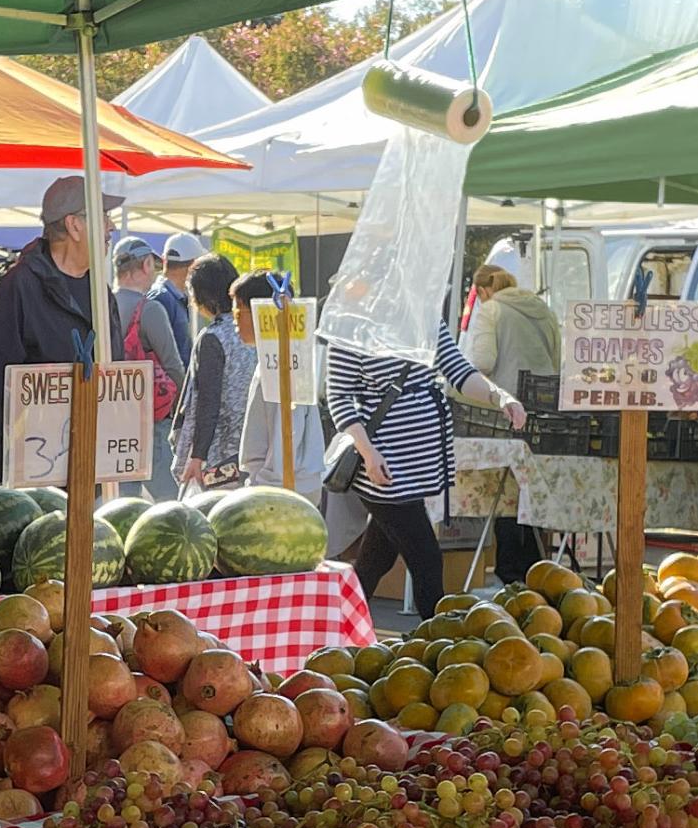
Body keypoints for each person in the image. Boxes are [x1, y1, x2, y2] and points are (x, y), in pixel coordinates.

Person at [328, 319, 525, 617]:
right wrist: (368, 452)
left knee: (376, 558)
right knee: (427, 558)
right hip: (384, 465)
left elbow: (459, 370)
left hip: (419, 465)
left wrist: (501, 398)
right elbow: (339, 397)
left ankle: (337, 625)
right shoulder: (352, 324)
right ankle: (437, 642)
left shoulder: (426, 315)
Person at [0, 176, 116, 464]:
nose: (111, 227)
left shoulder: (100, 290)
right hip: (35, 469)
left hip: (93, 463)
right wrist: (2, 470)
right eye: (104, 216)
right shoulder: (18, 287)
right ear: (75, 225)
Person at [461, 264, 562, 583]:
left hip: (507, 412)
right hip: (546, 415)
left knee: (506, 490)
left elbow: (482, 362)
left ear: (484, 291)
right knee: (535, 486)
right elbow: (557, 360)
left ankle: (511, 569)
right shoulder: (543, 310)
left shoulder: (491, 310)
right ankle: (538, 565)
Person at [231, 270, 326, 497]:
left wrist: (266, 485)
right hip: (290, 484)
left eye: (237, 313)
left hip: (283, 489)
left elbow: (287, 434)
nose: (234, 322)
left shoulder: (281, 362)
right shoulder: (278, 357)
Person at [112, 236, 186, 498]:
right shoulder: (149, 309)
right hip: (149, 418)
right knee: (171, 500)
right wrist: (186, 407)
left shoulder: (100, 306)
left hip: (111, 421)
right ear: (145, 265)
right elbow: (173, 365)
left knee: (123, 503)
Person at [175, 253, 256, 492]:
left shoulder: (213, 337)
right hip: (256, 449)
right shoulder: (256, 327)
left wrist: (197, 456)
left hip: (221, 454)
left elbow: (207, 401)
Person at [152, 232, 206, 366]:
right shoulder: (163, 298)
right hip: (171, 385)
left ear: (164, 260)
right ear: (193, 265)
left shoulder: (166, 296)